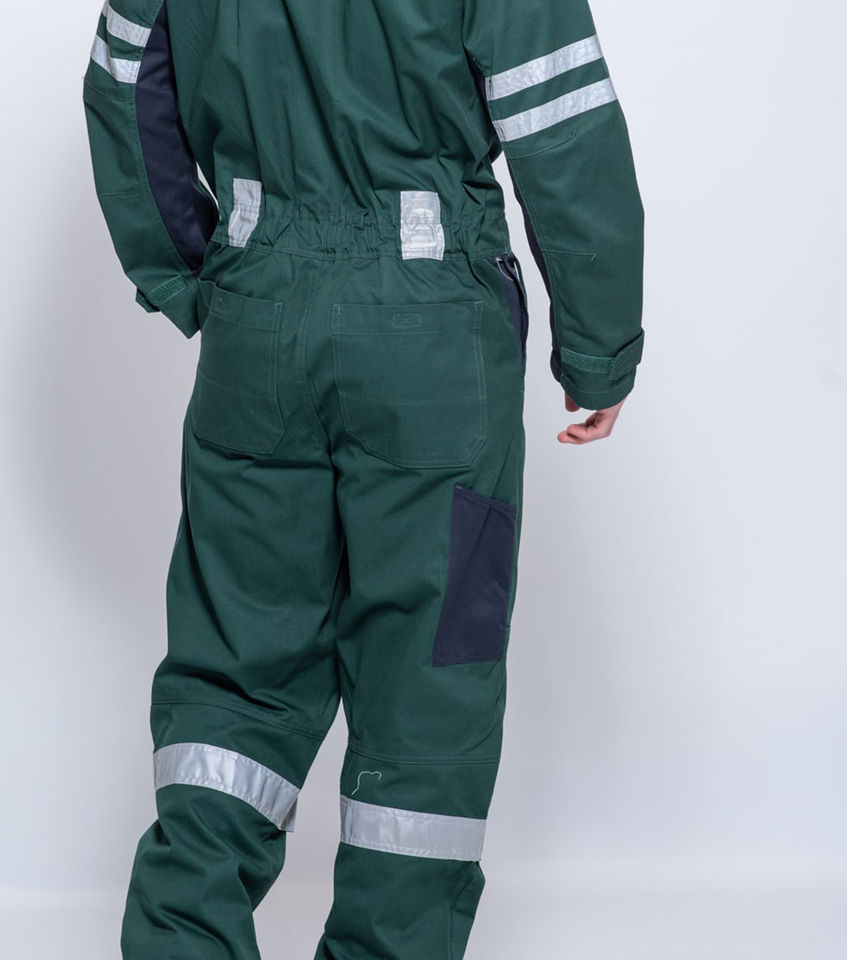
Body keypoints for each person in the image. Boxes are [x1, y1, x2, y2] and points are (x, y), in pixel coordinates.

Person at [81, 0, 645, 956]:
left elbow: (125, 83)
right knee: (428, 682)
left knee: (233, 677)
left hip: (257, 315)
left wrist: (196, 273)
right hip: (433, 336)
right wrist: (599, 348)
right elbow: (564, 126)